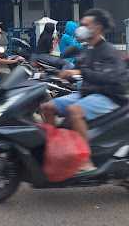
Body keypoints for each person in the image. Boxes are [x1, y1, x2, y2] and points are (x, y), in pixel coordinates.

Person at [40, 9, 128, 172]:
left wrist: (79, 72)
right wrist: (56, 72)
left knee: (75, 111)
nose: (82, 28)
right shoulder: (87, 50)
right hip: (87, 94)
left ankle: (85, 161)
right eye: (82, 25)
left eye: (86, 25)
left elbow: (111, 78)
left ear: (98, 28)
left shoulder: (109, 50)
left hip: (109, 96)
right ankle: (56, 148)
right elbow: (75, 69)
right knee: (47, 107)